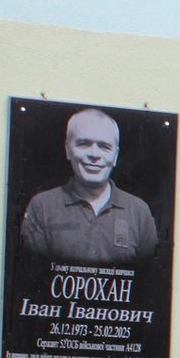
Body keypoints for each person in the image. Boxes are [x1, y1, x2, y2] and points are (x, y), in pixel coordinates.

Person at [19, 108, 161, 267]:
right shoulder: (42, 207)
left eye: (105, 146)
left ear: (115, 156)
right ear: (68, 149)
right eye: (84, 144)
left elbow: (149, 283)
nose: (94, 154)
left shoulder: (139, 211)